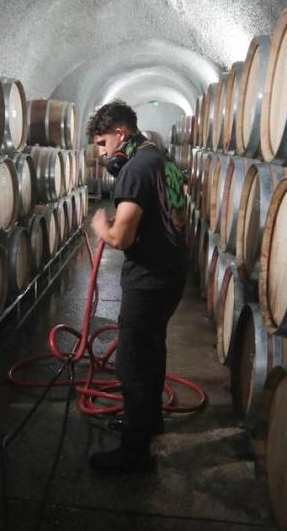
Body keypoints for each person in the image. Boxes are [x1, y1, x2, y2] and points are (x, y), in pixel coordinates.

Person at [87, 100, 188, 473]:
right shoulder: (162, 160)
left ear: (121, 133)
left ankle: (134, 454)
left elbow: (122, 239)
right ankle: (147, 422)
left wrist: (101, 226)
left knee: (132, 365)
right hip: (173, 272)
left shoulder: (135, 170)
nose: (102, 153)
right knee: (153, 353)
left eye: (103, 143)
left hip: (148, 281)